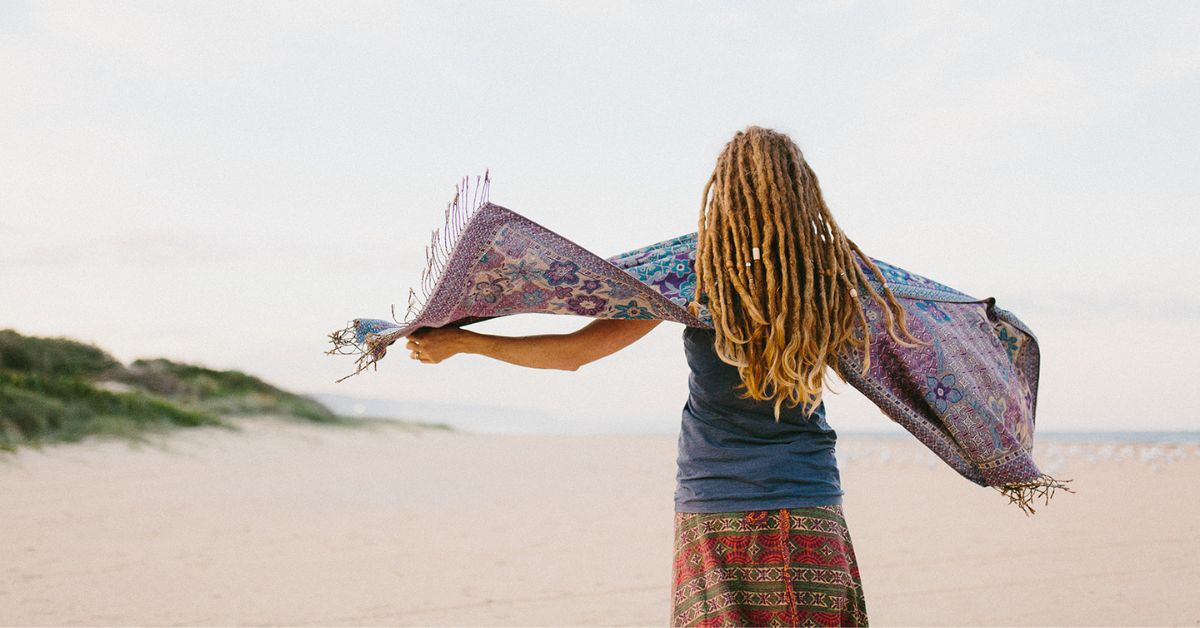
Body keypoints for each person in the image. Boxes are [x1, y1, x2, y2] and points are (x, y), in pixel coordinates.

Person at [403, 126, 917, 627]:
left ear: (724, 193)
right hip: (811, 499)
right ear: (802, 194)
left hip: (716, 505)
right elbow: (920, 361)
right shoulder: (832, 279)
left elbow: (574, 353)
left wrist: (464, 341)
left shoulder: (690, 273)